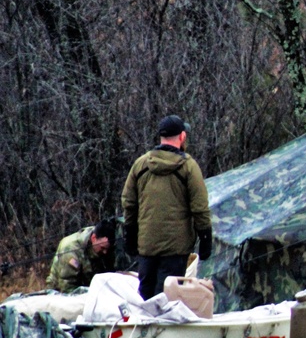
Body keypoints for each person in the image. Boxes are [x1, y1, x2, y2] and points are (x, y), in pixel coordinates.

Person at [121, 115, 213, 300]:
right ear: (182, 136)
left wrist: (130, 235)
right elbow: (200, 207)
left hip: (147, 246)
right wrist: (205, 237)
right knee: (167, 300)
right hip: (176, 249)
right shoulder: (188, 166)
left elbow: (129, 203)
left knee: (145, 298)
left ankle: (142, 328)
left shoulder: (141, 165)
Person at [46, 220, 116, 293]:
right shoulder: (71, 250)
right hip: (61, 292)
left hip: (88, 288)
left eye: (107, 249)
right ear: (93, 238)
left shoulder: (100, 238)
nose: (105, 252)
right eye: (102, 248)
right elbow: (66, 286)